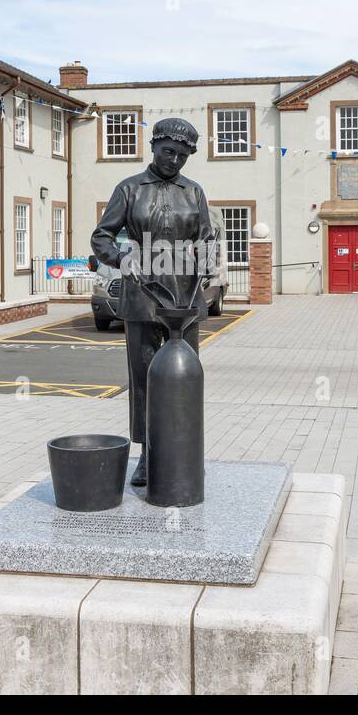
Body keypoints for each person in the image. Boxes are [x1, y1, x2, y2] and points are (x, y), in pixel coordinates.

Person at [91, 117, 216, 487]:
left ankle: (186, 453)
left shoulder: (193, 192)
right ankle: (146, 456)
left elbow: (206, 239)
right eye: (168, 152)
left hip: (184, 296)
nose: (174, 161)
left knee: (184, 380)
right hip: (142, 297)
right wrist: (122, 259)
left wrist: (207, 268)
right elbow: (101, 237)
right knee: (144, 379)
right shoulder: (129, 189)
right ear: (154, 147)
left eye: (182, 156)